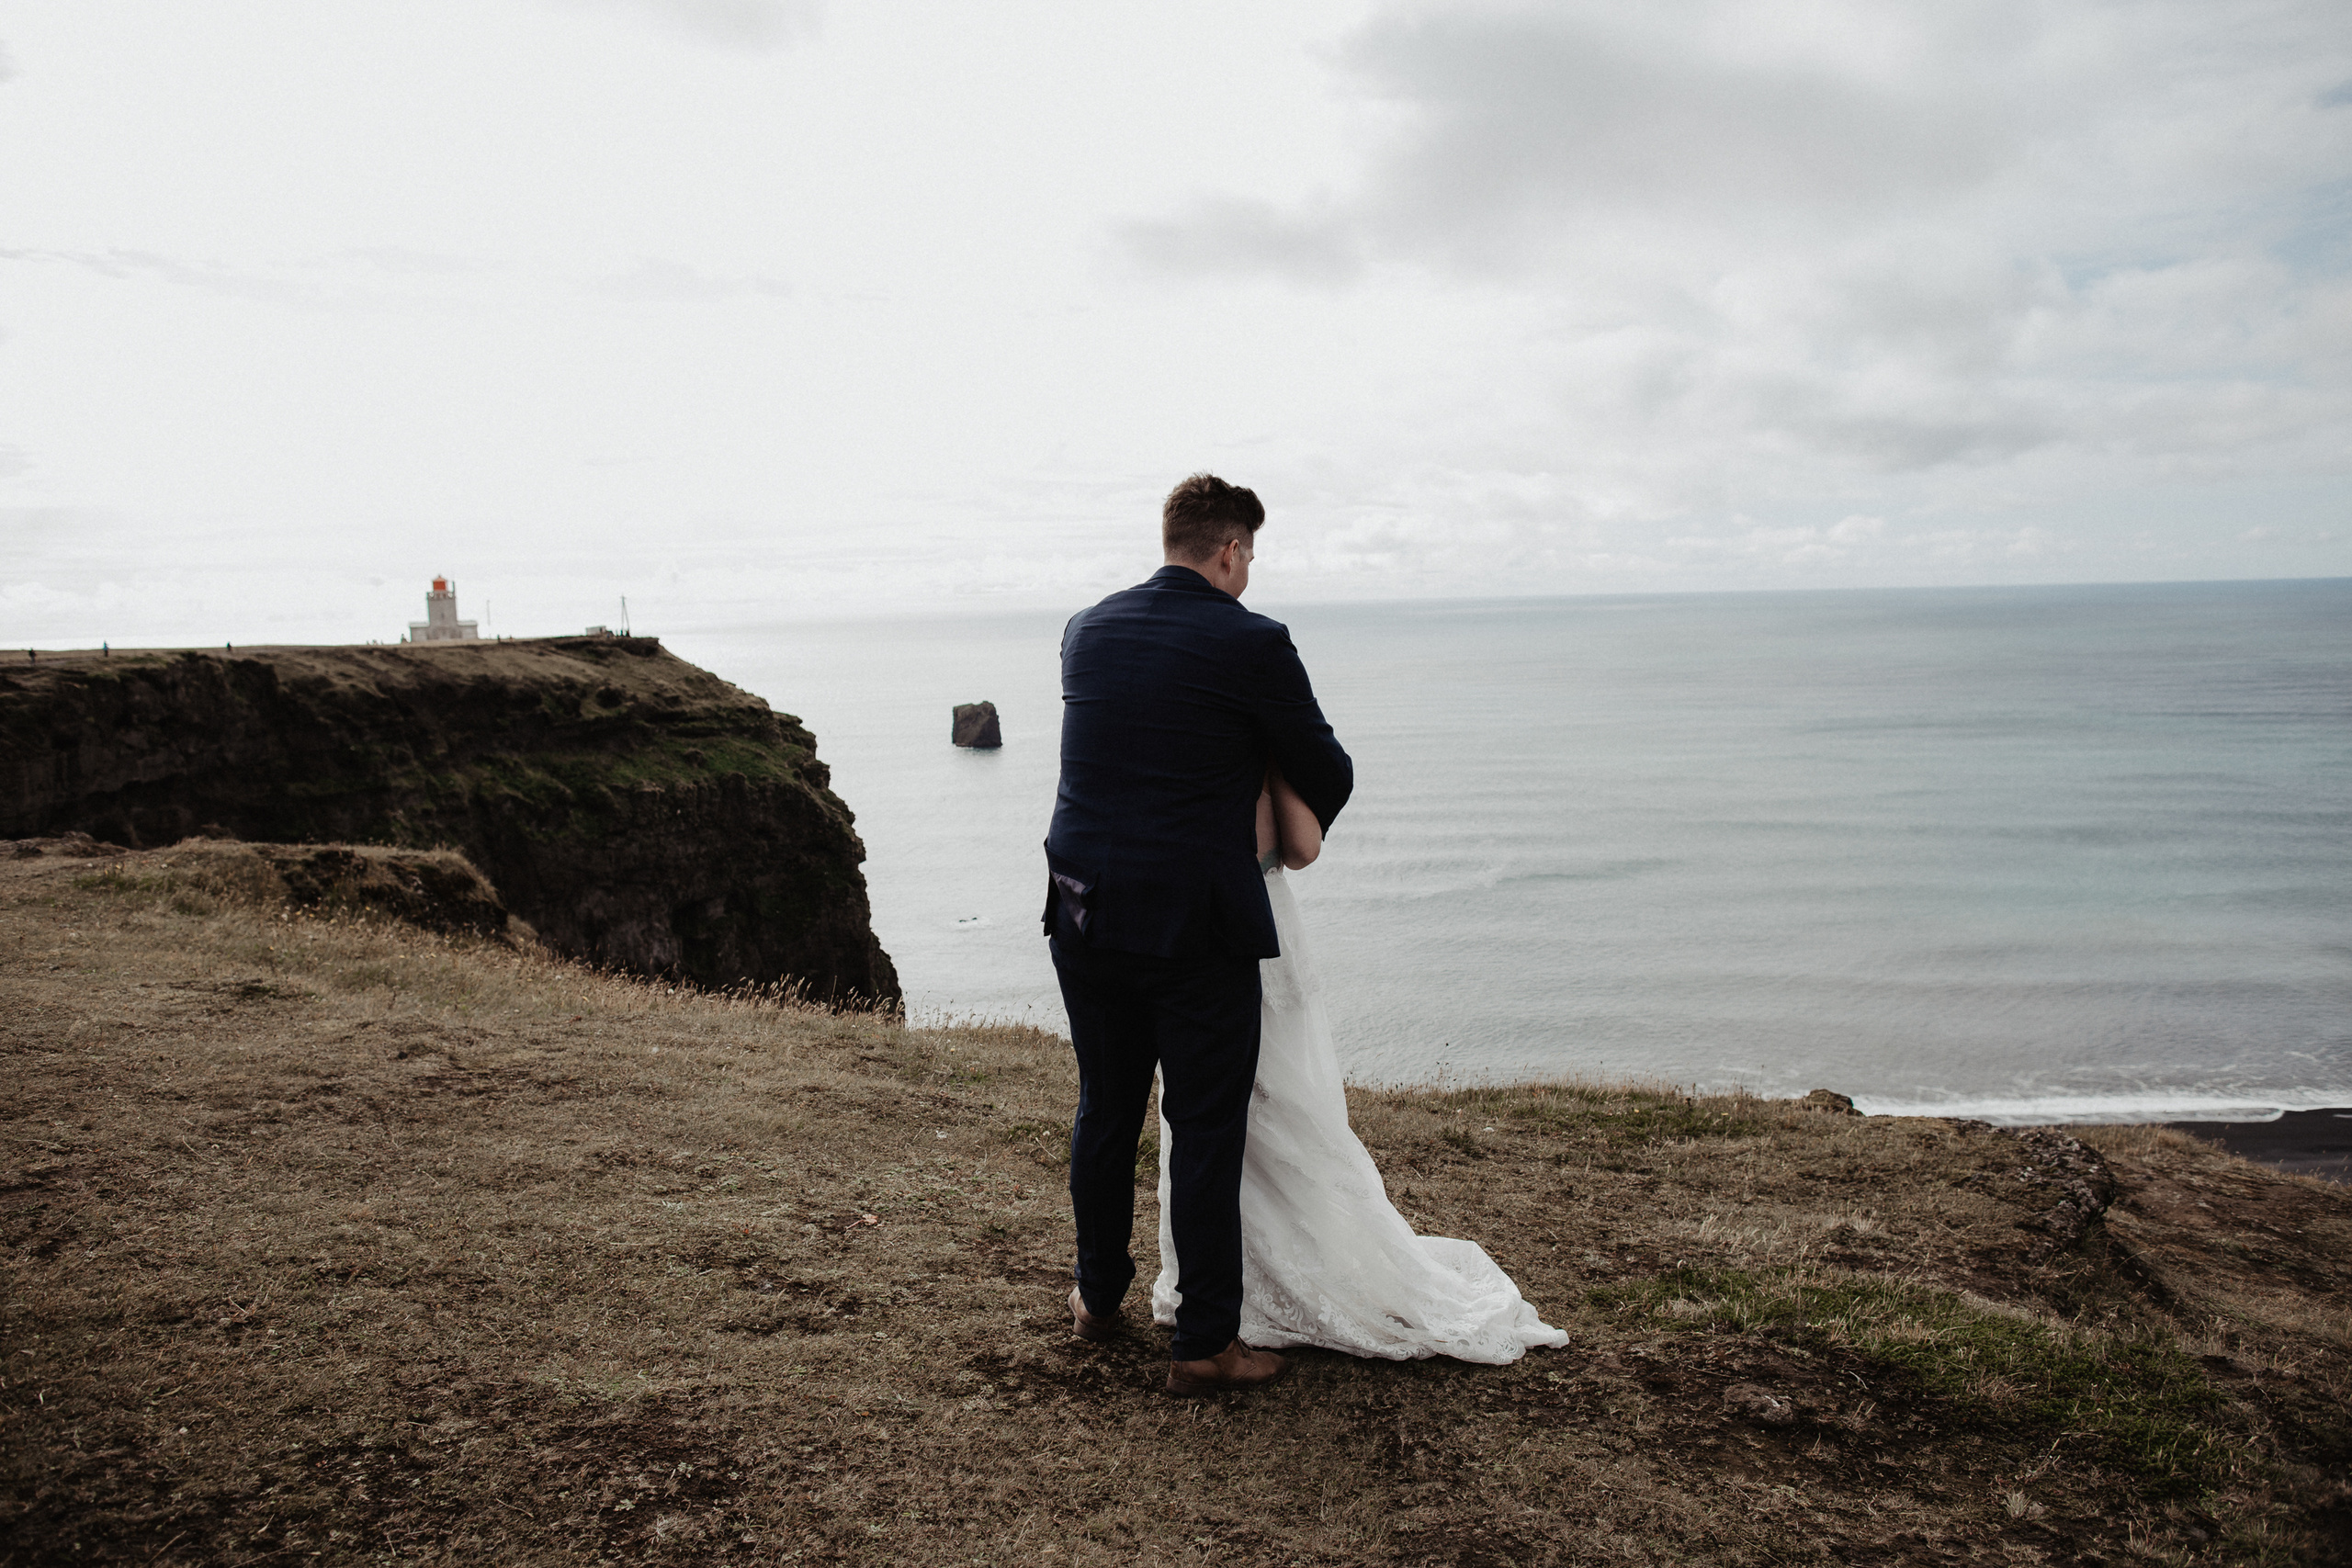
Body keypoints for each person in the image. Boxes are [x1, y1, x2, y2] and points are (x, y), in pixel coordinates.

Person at [1045, 473, 1352, 1397]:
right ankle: (1205, 1345)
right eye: (1249, 554)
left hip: (1083, 905)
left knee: (1105, 1105)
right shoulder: (1252, 641)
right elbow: (1324, 766)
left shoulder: (1085, 628)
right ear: (1227, 551)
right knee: (1204, 1121)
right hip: (1194, 921)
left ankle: (1097, 1299)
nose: (1249, 569)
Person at [1148, 772, 1571, 1363]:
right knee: (1284, 1114)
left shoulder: (1172, 744)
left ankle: (1215, 1284)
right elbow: (1302, 849)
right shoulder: (1251, 752)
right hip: (1254, 926)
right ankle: (1276, 1277)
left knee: (1206, 1118)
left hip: (1177, 929)